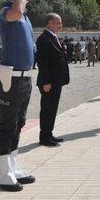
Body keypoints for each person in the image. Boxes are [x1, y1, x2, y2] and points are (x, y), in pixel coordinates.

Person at [0, 0, 36, 192]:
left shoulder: (25, 16)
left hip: (24, 77)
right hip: (9, 77)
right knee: (7, 125)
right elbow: (15, 11)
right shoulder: (5, 10)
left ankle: (12, 166)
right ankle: (2, 175)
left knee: (18, 124)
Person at [36, 13, 70, 146]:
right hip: (48, 82)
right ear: (49, 23)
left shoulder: (53, 37)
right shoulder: (44, 38)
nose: (60, 25)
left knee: (52, 109)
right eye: (58, 23)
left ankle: (49, 133)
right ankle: (44, 137)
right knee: (47, 109)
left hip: (56, 81)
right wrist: (46, 82)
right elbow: (42, 62)